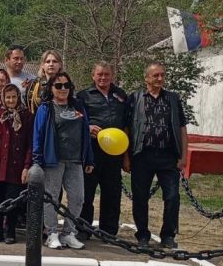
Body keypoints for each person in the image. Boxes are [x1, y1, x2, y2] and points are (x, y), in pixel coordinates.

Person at [124, 62, 189, 250]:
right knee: (140, 197)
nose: (160, 79)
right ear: (146, 78)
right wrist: (126, 157)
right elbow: (127, 128)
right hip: (142, 156)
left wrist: (184, 156)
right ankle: (142, 235)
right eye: (155, 76)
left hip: (168, 157)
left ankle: (168, 235)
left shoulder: (173, 99)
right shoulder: (135, 98)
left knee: (172, 197)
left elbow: (182, 128)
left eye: (162, 75)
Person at [33, 72, 94, 250]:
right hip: (53, 160)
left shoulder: (78, 107)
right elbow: (38, 135)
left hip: (75, 160)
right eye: (58, 86)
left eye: (66, 85)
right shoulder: (46, 108)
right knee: (51, 197)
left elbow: (85, 134)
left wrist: (89, 158)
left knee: (78, 197)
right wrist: (37, 161)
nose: (63, 89)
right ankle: (51, 232)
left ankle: (69, 232)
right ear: (51, 88)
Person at [78, 61, 127, 239]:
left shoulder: (120, 95)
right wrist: (87, 127)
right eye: (100, 74)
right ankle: (83, 229)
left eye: (106, 74)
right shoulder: (83, 96)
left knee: (112, 194)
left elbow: (127, 123)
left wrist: (126, 157)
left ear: (111, 75)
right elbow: (75, 120)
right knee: (86, 193)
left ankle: (108, 231)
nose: (103, 77)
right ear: (93, 76)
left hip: (114, 155)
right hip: (91, 153)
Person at [0, 83, 32, 244]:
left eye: (13, 97)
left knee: (12, 202)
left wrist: (26, 166)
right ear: (3, 98)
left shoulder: (26, 116)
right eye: (8, 97)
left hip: (14, 166)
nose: (10, 100)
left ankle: (10, 232)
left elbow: (30, 144)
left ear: (18, 98)